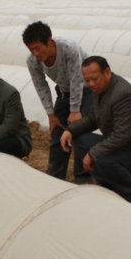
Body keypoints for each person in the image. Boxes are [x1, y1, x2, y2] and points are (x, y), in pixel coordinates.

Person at [61, 56, 131, 205]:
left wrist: (93, 154)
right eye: (87, 80)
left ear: (107, 72)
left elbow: (121, 135)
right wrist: (70, 131)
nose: (91, 84)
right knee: (80, 140)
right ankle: (108, 186)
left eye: (94, 79)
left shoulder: (123, 94)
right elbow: (92, 118)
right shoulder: (100, 89)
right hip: (121, 147)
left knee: (101, 159)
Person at [21, 21, 95, 184]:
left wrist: (75, 110)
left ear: (49, 41)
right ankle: (56, 175)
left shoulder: (68, 48)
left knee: (79, 131)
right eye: (31, 49)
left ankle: (82, 178)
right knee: (58, 132)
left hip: (86, 90)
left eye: (37, 48)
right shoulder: (32, 60)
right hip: (63, 92)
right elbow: (41, 85)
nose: (35, 53)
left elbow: (77, 79)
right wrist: (51, 115)